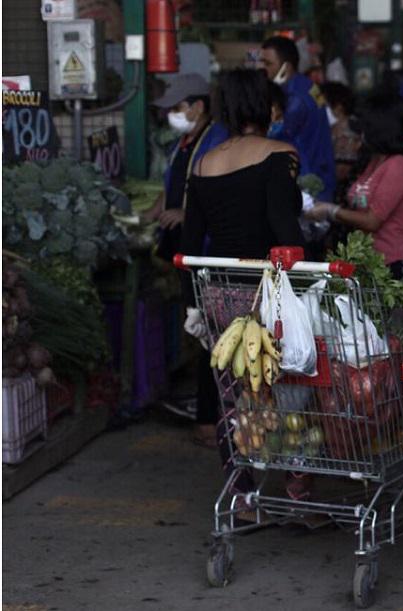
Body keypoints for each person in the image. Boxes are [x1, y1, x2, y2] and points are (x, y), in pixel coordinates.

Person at [180, 69, 307, 507]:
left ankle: (241, 495)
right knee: (291, 389)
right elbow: (286, 230)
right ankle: (297, 492)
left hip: (218, 297)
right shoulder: (279, 153)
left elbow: (188, 244)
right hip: (268, 294)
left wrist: (190, 307)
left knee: (232, 395)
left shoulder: (204, 164)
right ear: (263, 106)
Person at [145, 73, 229, 444]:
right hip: (187, 251)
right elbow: (176, 186)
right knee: (201, 334)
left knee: (212, 337)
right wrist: (157, 209)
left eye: (178, 108)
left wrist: (186, 215)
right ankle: (207, 414)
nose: (172, 115)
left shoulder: (216, 140)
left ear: (198, 106)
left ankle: (211, 421)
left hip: (207, 252)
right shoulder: (186, 141)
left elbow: (214, 195)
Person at [307, 93, 403, 282]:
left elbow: (372, 221)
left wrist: (331, 211)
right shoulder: (375, 161)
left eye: (365, 127)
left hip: (398, 264)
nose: (361, 133)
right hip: (372, 262)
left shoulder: (401, 165)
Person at [260, 35, 336, 203]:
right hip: (320, 172)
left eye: (268, 64)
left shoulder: (293, 99)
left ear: (286, 67)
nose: (263, 69)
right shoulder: (310, 86)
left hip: (305, 181)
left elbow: (273, 136)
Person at [319, 81, 361, 186]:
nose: (321, 109)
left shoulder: (349, 130)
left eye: (324, 105)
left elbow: (343, 170)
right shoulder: (332, 128)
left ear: (339, 106)